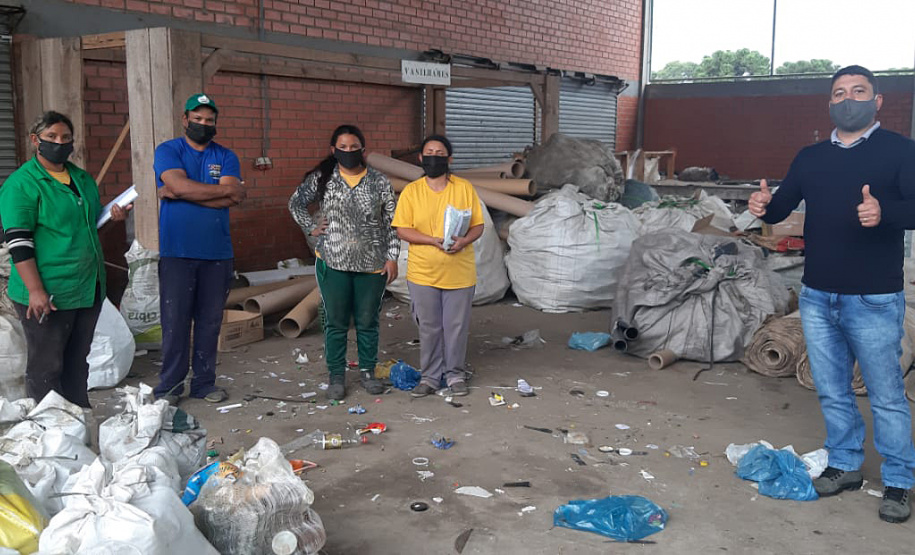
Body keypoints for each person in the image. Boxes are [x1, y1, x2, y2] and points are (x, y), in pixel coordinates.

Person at [749, 65, 915, 523]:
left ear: (877, 100)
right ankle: (844, 465)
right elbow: (783, 205)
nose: (848, 99)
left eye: (859, 91)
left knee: (885, 395)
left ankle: (899, 481)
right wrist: (763, 204)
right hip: (818, 296)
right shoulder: (811, 157)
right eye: (839, 92)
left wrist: (886, 212)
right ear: (829, 103)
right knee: (832, 389)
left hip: (874, 299)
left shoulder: (901, 152)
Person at [0, 111, 130, 407]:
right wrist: (35, 291)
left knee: (77, 361)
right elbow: (19, 242)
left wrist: (113, 217)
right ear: (36, 141)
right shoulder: (22, 184)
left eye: (66, 138)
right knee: (46, 366)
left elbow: (87, 225)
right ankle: (49, 430)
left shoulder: (81, 179)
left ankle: (77, 420)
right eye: (52, 137)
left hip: (86, 287)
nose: (60, 143)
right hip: (48, 291)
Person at [289, 125, 399, 400]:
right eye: (343, 147)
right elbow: (296, 203)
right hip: (333, 262)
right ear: (333, 150)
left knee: (367, 321)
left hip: (372, 264)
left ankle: (367, 372)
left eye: (353, 147)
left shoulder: (378, 181)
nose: (348, 152)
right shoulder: (323, 178)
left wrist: (392, 257)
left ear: (362, 149)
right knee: (336, 322)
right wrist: (310, 227)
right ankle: (336, 375)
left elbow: (392, 222)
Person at [153, 93, 246, 404]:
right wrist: (217, 193)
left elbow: (235, 195)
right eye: (198, 119)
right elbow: (221, 193)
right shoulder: (168, 150)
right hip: (177, 252)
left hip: (217, 253)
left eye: (209, 120)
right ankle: (169, 387)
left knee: (209, 323)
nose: (203, 124)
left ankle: (204, 384)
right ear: (185, 119)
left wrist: (179, 192)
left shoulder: (226, 155)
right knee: (175, 321)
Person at [392, 135, 484, 398]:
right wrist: (431, 240)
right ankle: (430, 377)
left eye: (440, 153)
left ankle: (454, 374)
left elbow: (478, 225)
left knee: (455, 327)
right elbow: (402, 229)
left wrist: (465, 240)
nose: (434, 157)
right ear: (421, 158)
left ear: (449, 159)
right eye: (429, 152)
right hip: (423, 273)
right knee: (429, 327)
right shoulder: (412, 191)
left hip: (459, 272)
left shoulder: (464, 188)